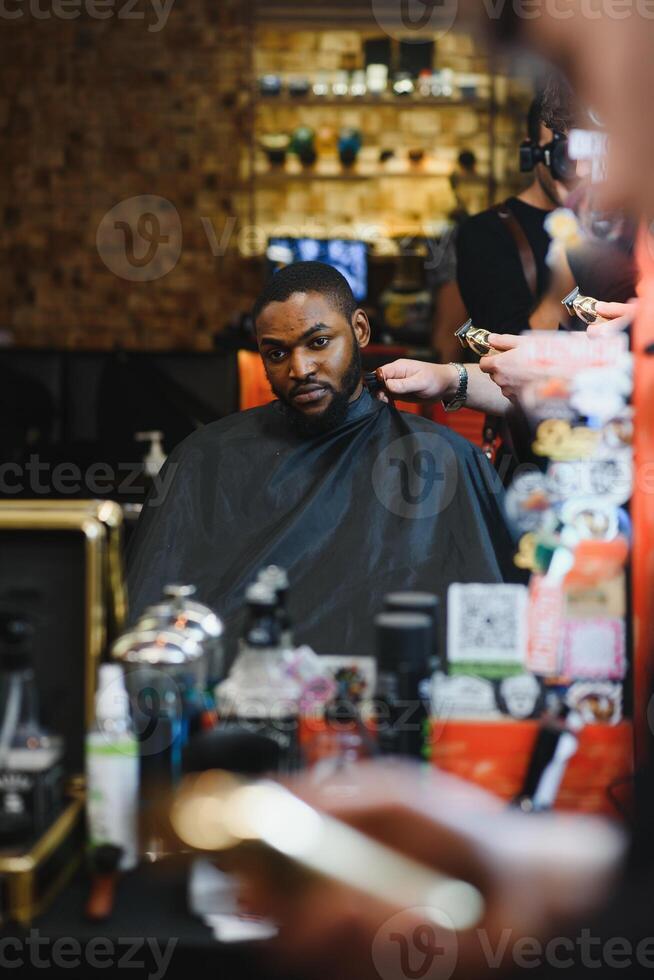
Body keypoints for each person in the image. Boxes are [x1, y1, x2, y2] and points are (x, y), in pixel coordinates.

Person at [127, 262, 519, 661]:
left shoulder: (442, 460)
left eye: (318, 343)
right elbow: (150, 634)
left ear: (360, 331)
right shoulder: (205, 460)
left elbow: (492, 634)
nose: (300, 369)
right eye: (277, 352)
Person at [456, 83, 577, 336]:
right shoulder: (486, 233)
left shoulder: (624, 227)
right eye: (563, 153)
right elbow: (502, 355)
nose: (577, 167)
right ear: (532, 153)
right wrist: (574, 238)